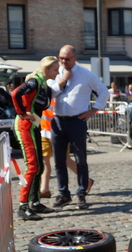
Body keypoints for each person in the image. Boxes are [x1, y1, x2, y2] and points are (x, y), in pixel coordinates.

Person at [48, 45, 108, 210]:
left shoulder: (86, 75)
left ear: (75, 58)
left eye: (67, 59)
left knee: (81, 159)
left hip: (77, 121)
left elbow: (103, 91)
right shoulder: (55, 72)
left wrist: (94, 110)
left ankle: (81, 193)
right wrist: (63, 79)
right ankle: (63, 194)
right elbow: (50, 94)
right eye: (61, 58)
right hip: (58, 120)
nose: (63, 61)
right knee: (59, 160)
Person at [11, 56, 60, 220]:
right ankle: (23, 205)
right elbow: (15, 94)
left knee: (38, 165)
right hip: (25, 127)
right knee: (32, 166)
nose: (58, 72)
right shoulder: (34, 81)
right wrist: (22, 113)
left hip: (33, 126)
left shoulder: (43, 83)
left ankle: (35, 202)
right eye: (55, 69)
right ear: (46, 69)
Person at [39, 100, 94, 199]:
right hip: (45, 130)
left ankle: (87, 181)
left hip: (58, 131)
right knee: (44, 159)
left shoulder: (59, 94)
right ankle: (44, 189)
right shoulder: (45, 93)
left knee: (65, 159)